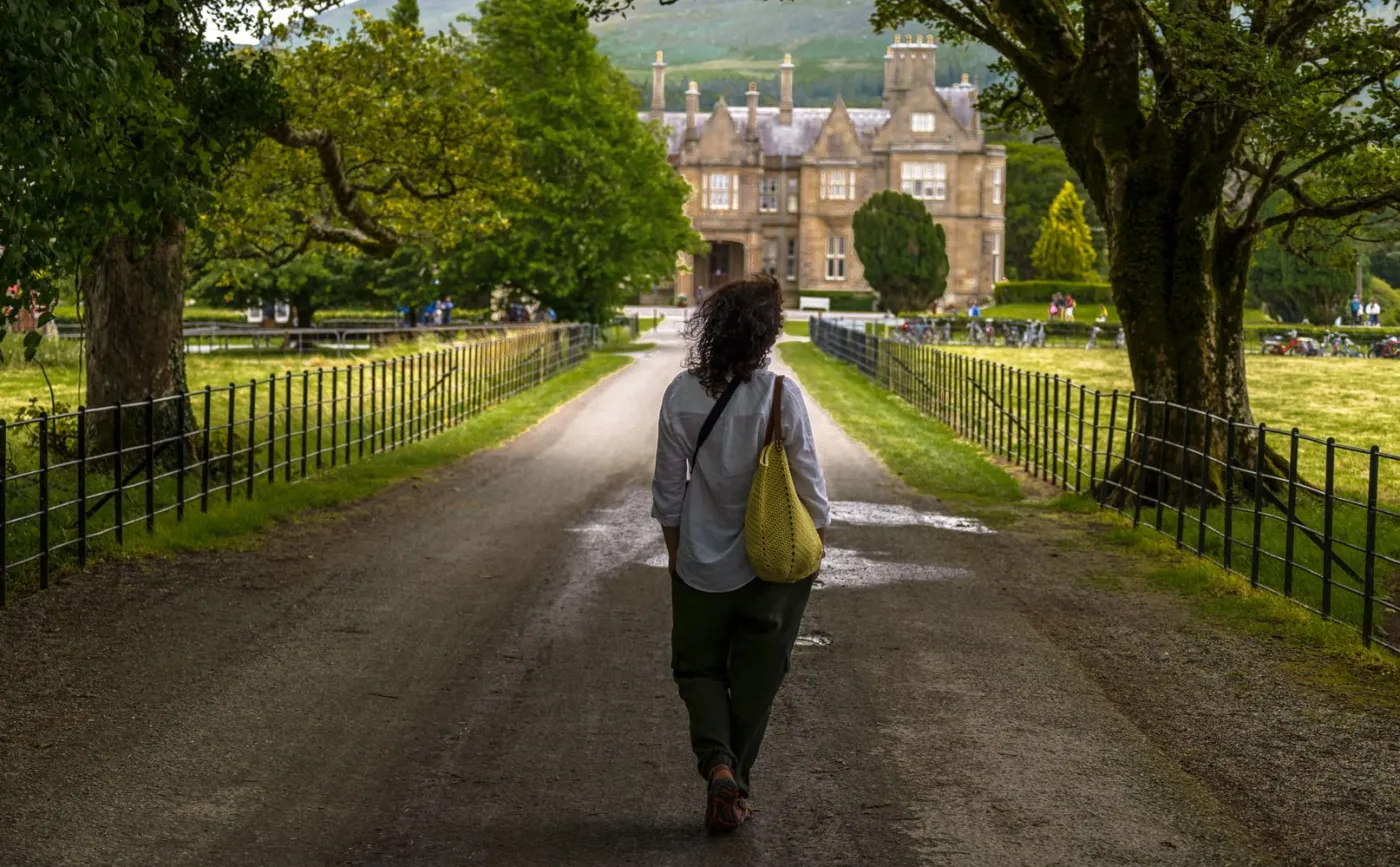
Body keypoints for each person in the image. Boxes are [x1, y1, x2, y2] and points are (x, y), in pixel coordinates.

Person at [652, 274, 829, 835]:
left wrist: (676, 555)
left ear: (712, 328)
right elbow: (811, 487)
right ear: (766, 335)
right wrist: (815, 546)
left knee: (698, 669)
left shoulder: (681, 394)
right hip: (773, 565)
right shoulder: (780, 395)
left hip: (700, 561)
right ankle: (736, 786)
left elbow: (668, 491)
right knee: (758, 676)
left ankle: (719, 766)